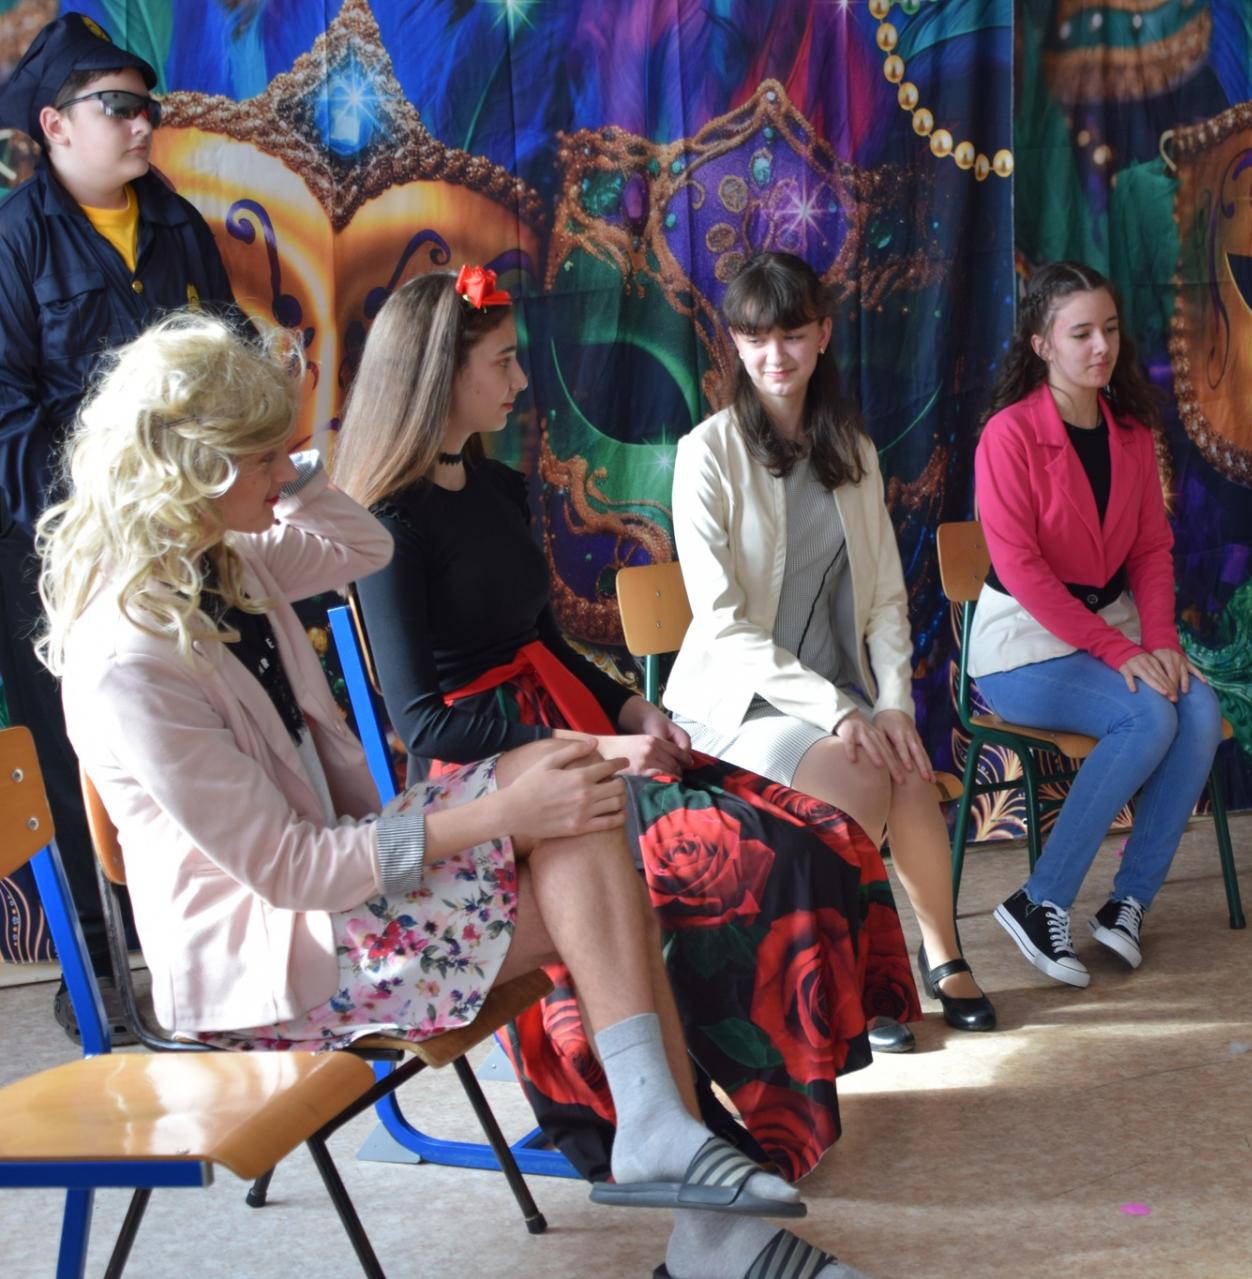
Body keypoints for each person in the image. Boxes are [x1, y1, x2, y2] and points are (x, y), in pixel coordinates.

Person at [37, 313, 871, 1278]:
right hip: (272, 956)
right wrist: (497, 818)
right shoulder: (131, 660)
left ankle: (660, 1141)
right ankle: (704, 1223)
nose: (283, 467)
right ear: (195, 469)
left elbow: (361, 543)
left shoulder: (223, 555)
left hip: (338, 879)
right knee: (583, 871)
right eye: (263, 455)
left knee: (576, 789)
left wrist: (292, 474)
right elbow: (291, 871)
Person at [332, 267, 917, 1180]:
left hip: (570, 733)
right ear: (444, 373)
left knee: (815, 836)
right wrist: (600, 745)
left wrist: (631, 706)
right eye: (503, 362)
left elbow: (542, 646)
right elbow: (426, 724)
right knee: (747, 861)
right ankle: (689, 1112)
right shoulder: (386, 525)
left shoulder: (496, 486)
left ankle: (762, 1113)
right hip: (490, 778)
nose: (521, 380)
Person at [667, 250, 997, 1038]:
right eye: (755, 339)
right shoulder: (707, 453)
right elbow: (721, 624)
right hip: (734, 708)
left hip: (829, 700)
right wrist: (842, 712)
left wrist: (892, 704)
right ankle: (852, 976)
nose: (774, 356)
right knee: (860, 766)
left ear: (821, 335)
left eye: (791, 335)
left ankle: (943, 957)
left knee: (905, 764)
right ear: (736, 345)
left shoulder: (852, 451)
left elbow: (884, 599)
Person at [0, 13, 236, 1038]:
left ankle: (208, 947)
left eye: (149, 107)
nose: (144, 124)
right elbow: (6, 418)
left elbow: (224, 369)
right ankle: (97, 968)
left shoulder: (179, 226)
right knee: (73, 750)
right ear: (54, 125)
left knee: (193, 731)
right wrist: (98, 525)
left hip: (182, 540)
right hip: (60, 553)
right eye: (119, 107)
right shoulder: (13, 241)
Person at [969, 261, 1222, 984]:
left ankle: (1126, 902)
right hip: (1022, 643)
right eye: (1080, 333)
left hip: (1112, 630)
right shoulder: (1008, 435)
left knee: (1198, 709)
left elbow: (1150, 549)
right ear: (1042, 344)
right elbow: (1022, 570)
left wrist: (1160, 643)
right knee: (1148, 716)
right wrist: (1121, 650)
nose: (1101, 346)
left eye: (1108, 329)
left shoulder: (1131, 433)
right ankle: (1038, 898)